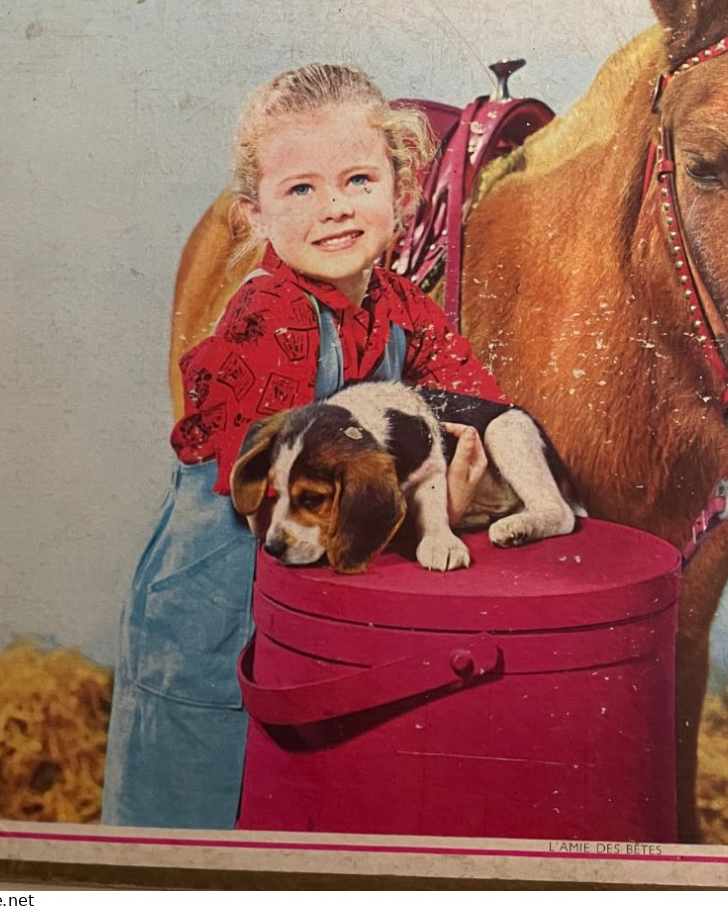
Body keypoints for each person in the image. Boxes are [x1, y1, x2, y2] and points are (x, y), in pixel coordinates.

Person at [102, 64, 503, 830]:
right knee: (197, 822)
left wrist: (479, 446)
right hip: (212, 617)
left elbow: (479, 409)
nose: (336, 209)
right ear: (255, 215)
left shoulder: (400, 309)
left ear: (402, 191)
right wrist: (437, 505)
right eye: (301, 190)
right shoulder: (269, 317)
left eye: (358, 178)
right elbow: (295, 493)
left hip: (313, 609)